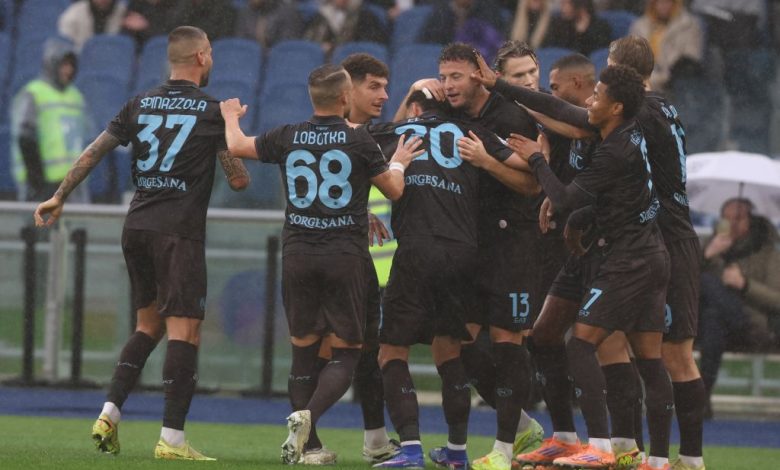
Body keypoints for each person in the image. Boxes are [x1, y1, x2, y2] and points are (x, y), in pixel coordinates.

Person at [487, 35, 706, 470]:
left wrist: (509, 97)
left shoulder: (633, 118)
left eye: (606, 71)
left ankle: (680, 458)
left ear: (619, 75)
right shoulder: (659, 107)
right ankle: (625, 449)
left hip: (658, 238)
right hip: (626, 237)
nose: (595, 91)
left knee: (667, 354)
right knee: (612, 344)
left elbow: (574, 123)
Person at [33, 25, 250, 461]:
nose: (212, 59)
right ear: (201, 57)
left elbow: (94, 151)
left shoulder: (139, 102)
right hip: (178, 231)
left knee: (148, 326)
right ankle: (172, 439)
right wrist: (229, 126)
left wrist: (59, 195)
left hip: (137, 226)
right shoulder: (211, 111)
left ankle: (109, 412)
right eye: (210, 52)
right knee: (185, 331)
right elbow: (240, 180)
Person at [219, 63, 423, 466]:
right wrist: (399, 160)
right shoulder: (359, 139)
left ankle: (309, 449)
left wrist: (229, 116)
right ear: (345, 97)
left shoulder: (287, 135)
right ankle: (307, 417)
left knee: (303, 353)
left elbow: (237, 146)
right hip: (343, 256)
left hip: (297, 254)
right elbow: (394, 189)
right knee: (347, 353)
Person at [369, 90, 538, 470]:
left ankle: (411, 450)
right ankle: (457, 452)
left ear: (416, 108)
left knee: (391, 352)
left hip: (417, 248)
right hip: (464, 254)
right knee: (450, 352)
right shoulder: (473, 133)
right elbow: (526, 168)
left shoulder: (396, 132)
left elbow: (348, 145)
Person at [340, 53, 402, 465]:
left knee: (369, 354)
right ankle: (308, 439)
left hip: (382, 263)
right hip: (341, 260)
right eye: (374, 87)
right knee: (337, 352)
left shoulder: (378, 135)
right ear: (349, 89)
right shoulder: (328, 135)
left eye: (386, 87)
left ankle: (376, 440)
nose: (383, 95)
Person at [699, 198, 780, 421]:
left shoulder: (768, 252)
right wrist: (706, 255)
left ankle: (700, 398)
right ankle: (702, 398)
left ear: (750, 220)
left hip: (753, 325)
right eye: (726, 218)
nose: (731, 223)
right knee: (713, 316)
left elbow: (777, 299)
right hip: (713, 326)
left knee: (707, 283)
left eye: (738, 218)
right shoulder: (712, 246)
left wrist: (745, 285)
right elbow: (682, 286)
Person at [12, 38, 90, 203]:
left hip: (73, 183)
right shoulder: (34, 93)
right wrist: (37, 180)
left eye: (71, 65)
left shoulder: (76, 97)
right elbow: (26, 138)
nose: (68, 70)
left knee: (79, 220)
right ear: (52, 64)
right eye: (63, 65)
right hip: (40, 183)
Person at [629, 0, 704, 92]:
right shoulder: (639, 26)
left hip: (673, 82)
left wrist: (668, 76)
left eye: (668, 2)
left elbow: (691, 59)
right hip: (642, 78)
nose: (663, 6)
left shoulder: (689, 25)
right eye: (659, 2)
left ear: (675, 4)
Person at [303, 0, 389, 56]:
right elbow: (309, 41)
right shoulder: (321, 16)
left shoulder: (366, 17)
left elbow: (369, 47)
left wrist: (333, 48)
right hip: (325, 64)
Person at [545, 0, 612, 56]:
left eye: (565, 4)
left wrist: (582, 33)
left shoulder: (600, 27)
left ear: (578, 4)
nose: (562, 9)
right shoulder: (560, 25)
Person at [58, 0, 127, 51]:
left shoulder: (124, 14)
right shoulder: (73, 15)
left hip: (112, 61)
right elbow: (64, 48)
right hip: (81, 62)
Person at [234, 0, 304, 49]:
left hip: (276, 61)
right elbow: (239, 44)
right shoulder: (245, 12)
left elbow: (286, 49)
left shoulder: (288, 13)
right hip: (248, 60)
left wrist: (264, 41)